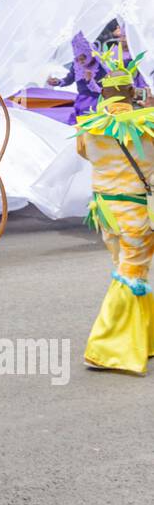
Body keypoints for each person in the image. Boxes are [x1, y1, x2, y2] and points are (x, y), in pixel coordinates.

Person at [77, 45, 154, 374]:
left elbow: (84, 154)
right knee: (130, 274)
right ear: (132, 92)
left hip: (105, 215)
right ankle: (107, 348)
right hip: (137, 216)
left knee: (126, 271)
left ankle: (144, 339)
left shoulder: (89, 128)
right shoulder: (146, 127)